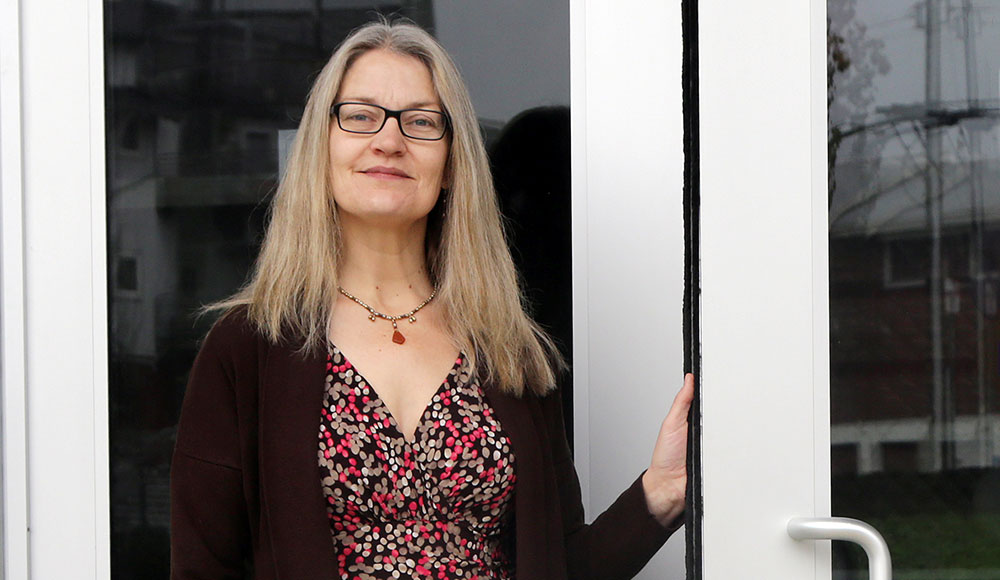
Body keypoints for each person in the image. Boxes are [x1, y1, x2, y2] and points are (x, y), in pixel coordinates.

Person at [169, 19, 695, 580]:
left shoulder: (504, 347)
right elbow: (204, 569)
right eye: (360, 116)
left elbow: (559, 565)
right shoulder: (248, 348)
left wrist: (660, 493)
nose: (389, 141)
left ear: (450, 165)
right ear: (321, 149)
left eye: (420, 122)